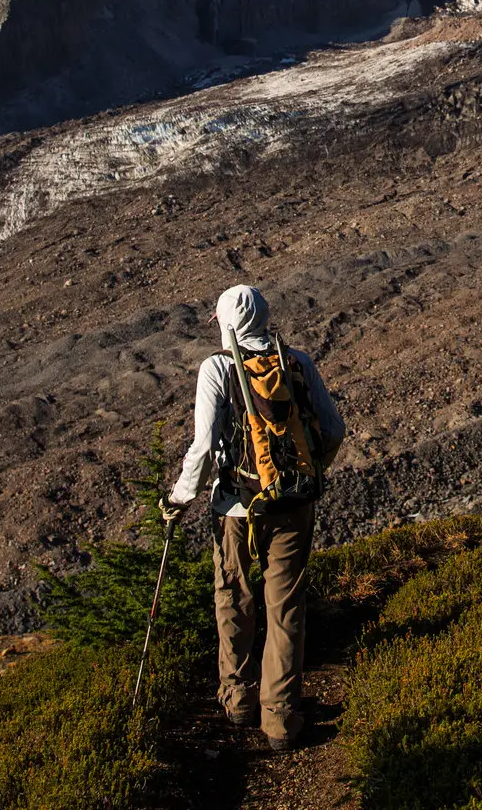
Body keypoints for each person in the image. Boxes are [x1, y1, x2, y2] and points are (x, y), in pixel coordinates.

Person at [161, 283, 344, 749]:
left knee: (234, 594)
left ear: (226, 324)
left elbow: (203, 447)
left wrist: (180, 499)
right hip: (292, 503)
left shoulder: (218, 368)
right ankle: (281, 717)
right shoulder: (296, 362)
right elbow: (334, 429)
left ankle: (238, 697)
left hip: (238, 506)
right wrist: (308, 470)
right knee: (285, 606)